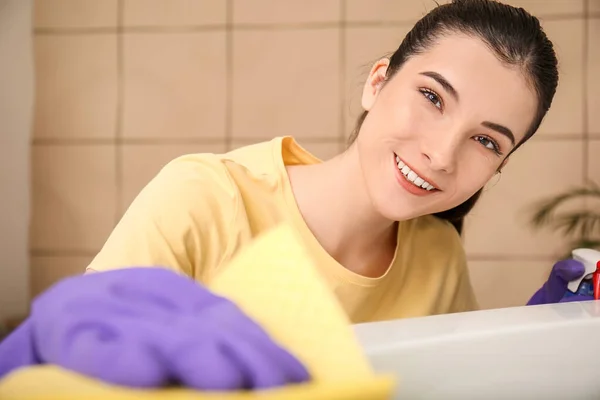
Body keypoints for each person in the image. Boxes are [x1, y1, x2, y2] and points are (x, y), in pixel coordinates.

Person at [2, 0, 592, 391]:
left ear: (499, 168)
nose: (442, 153)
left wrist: (544, 343)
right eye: (434, 98)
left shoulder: (437, 254)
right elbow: (78, 368)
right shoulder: (205, 196)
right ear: (378, 81)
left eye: (486, 141)